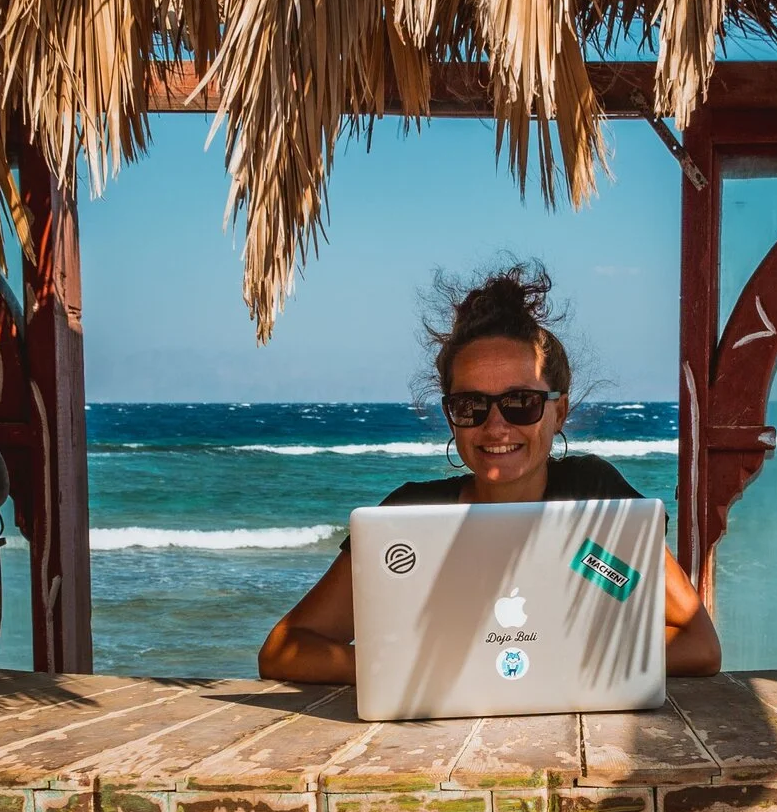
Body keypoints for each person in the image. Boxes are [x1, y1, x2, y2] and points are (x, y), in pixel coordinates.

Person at [259, 265, 723, 684]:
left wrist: (552, 659)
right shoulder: (409, 517)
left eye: (521, 402)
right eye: (471, 406)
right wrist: (411, 669)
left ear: (558, 412)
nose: (495, 425)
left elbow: (698, 644)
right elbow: (284, 649)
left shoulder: (596, 498)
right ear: (450, 417)